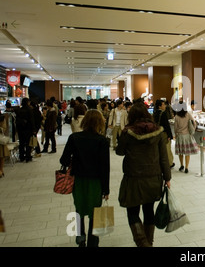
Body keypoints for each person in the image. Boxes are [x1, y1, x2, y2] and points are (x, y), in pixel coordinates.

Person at [116, 103, 171, 247]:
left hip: (133, 177)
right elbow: (163, 158)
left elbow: (119, 151)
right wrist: (168, 178)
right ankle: (149, 243)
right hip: (153, 177)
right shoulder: (158, 131)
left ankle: (143, 245)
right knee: (148, 211)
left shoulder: (127, 132)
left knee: (132, 212)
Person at [60, 110, 110, 247]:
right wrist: (106, 189)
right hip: (96, 182)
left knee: (79, 209)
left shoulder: (74, 138)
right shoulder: (102, 141)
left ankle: (80, 239)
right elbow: (105, 168)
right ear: (100, 123)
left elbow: (63, 160)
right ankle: (93, 243)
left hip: (79, 180)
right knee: (96, 212)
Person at [174, 102, 198, 174]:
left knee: (180, 152)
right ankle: (187, 167)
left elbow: (175, 128)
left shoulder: (176, 117)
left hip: (180, 136)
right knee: (187, 152)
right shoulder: (188, 115)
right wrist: (193, 129)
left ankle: (182, 165)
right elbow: (194, 122)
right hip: (187, 136)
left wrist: (176, 134)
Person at [153, 99, 174, 168]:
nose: (165, 106)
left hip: (157, 133)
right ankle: (169, 163)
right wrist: (170, 135)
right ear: (160, 106)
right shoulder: (163, 113)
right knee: (167, 149)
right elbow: (166, 126)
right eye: (163, 104)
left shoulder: (155, 113)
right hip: (164, 133)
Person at [15, 98, 35, 162]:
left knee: (21, 143)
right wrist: (33, 129)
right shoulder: (29, 110)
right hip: (28, 128)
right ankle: (28, 156)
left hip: (20, 129)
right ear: (27, 102)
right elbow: (32, 120)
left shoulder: (19, 110)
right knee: (28, 143)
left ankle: (21, 157)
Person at [0, 111, 11, 177]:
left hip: (1, 141)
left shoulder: (2, 118)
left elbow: (4, 128)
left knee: (1, 156)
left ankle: (1, 170)